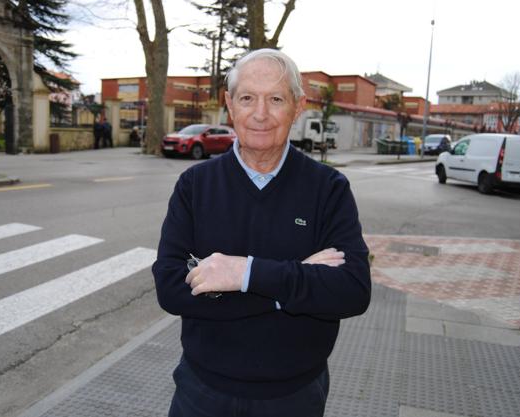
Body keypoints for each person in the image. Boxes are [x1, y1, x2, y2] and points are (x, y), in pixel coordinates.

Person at [152, 49, 371, 417]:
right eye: (248, 98)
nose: (260, 114)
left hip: (294, 396)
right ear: (230, 105)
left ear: (298, 106)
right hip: (202, 391)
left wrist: (242, 274)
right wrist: (287, 287)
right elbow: (171, 289)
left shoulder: (328, 188)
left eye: (276, 99)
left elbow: (352, 290)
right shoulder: (195, 185)